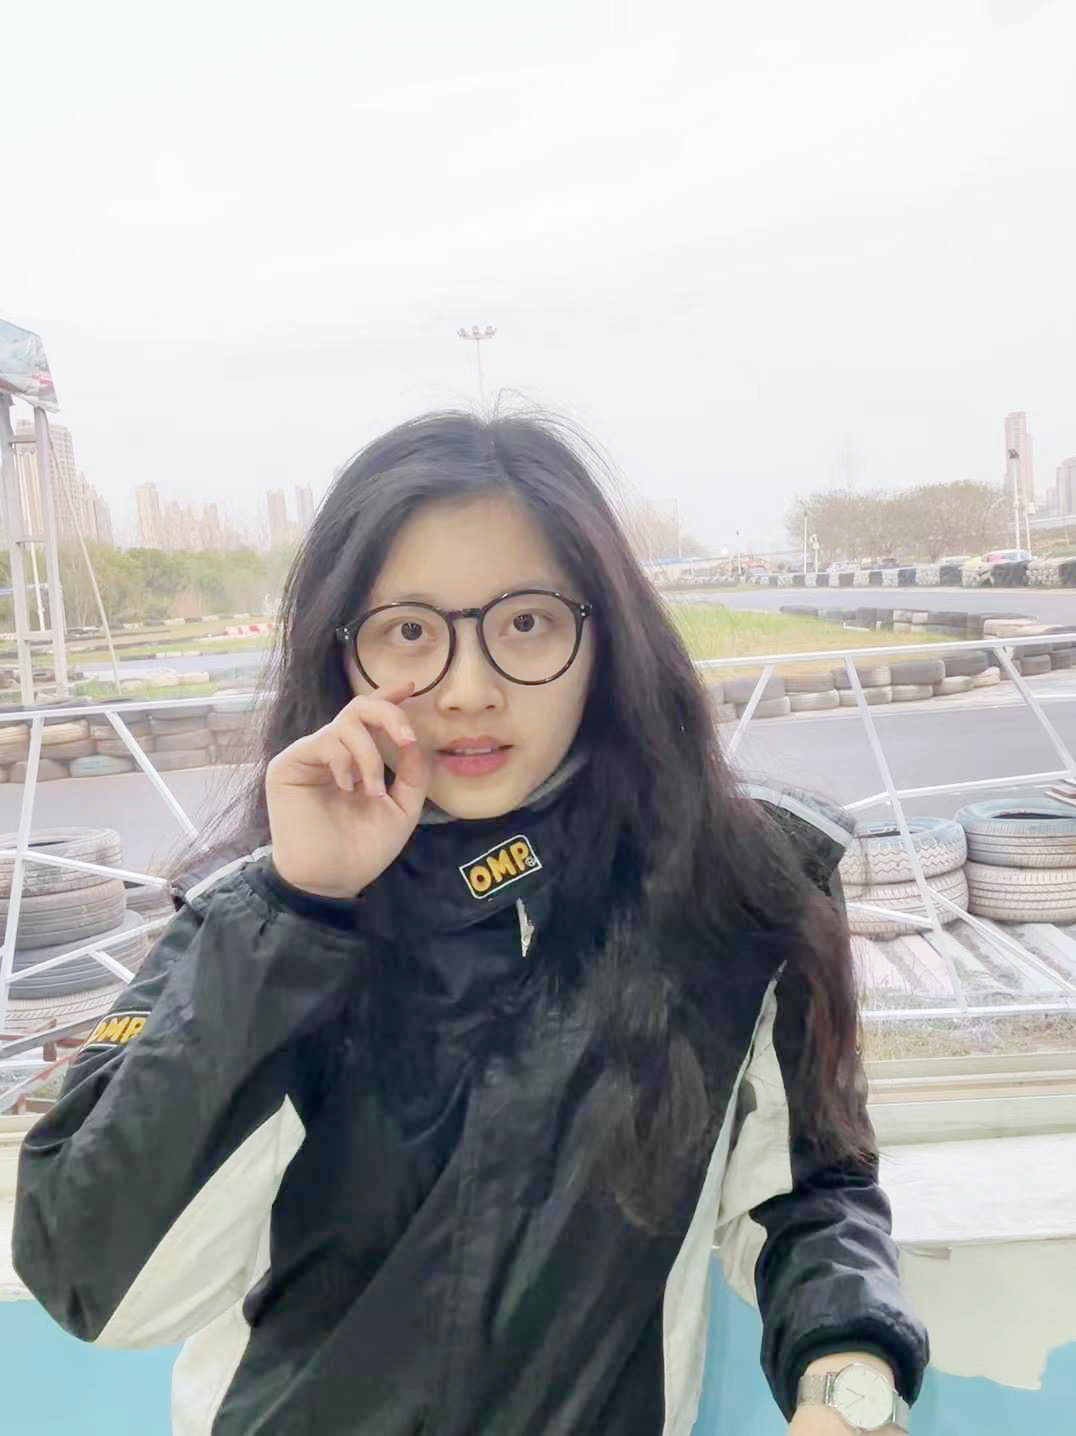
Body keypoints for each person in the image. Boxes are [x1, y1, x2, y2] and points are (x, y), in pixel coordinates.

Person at [13, 410, 928, 1434]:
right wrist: (297, 910)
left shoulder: (733, 892)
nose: (469, 689)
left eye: (526, 622)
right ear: (341, 653)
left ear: (605, 638)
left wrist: (846, 1379)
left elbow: (807, 1188)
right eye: (410, 631)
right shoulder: (250, 920)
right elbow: (98, 1283)